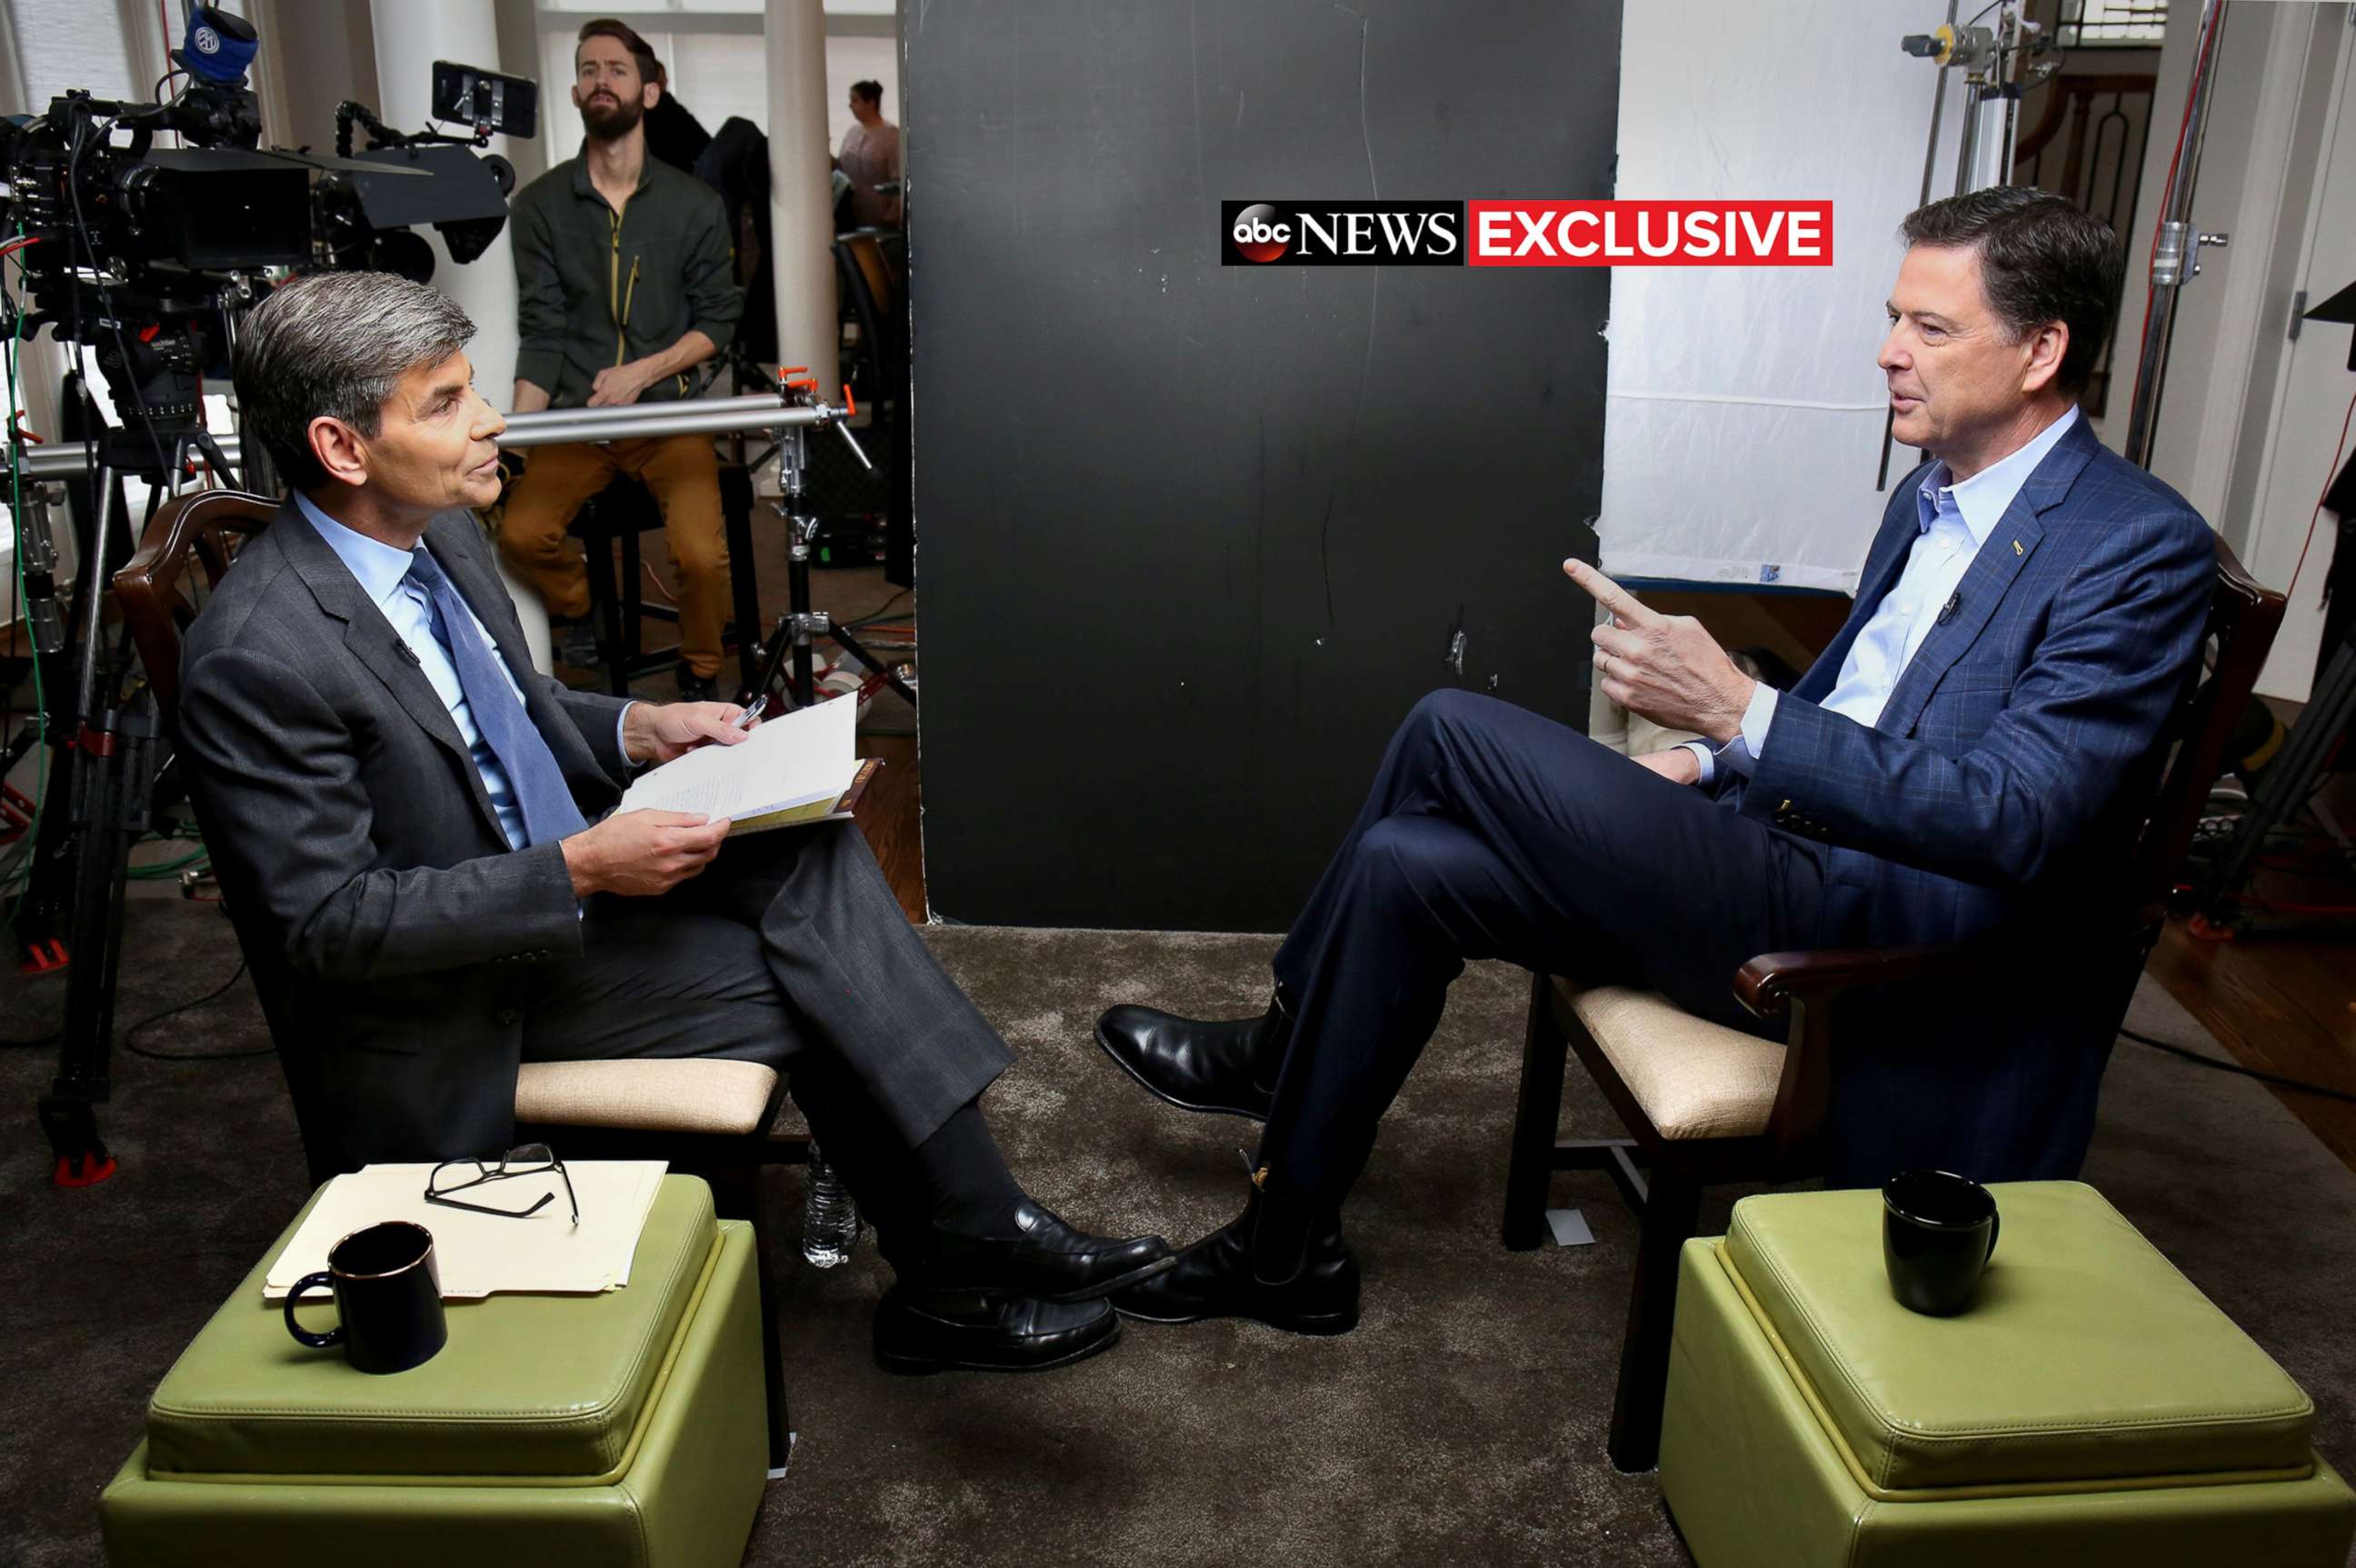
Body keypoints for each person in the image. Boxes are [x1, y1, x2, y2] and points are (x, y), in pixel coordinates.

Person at [1096, 187, 2216, 1336]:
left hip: (1882, 931)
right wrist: (1700, 760)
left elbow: (2021, 816)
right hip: (1780, 849)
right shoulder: (1931, 497)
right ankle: (1288, 1254)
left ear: (2043, 351)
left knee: (1448, 723)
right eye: (1895, 319)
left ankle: (1282, 1048)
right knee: (1400, 861)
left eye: (1930, 329)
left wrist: (1741, 713)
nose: (1888, 354)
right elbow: (1851, 705)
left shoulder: (2135, 546)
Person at [181, 272, 1170, 1374]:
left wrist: (644, 729)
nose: (492, 419)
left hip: (557, 894)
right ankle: (963, 1260)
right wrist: (581, 871)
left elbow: (517, 709)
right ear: (343, 447)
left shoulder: (438, 532)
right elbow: (328, 928)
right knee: (820, 981)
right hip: (463, 994)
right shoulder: (255, 656)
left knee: (817, 853)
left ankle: (966, 1247)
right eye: (449, 401)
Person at [497, 17, 739, 702]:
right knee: (518, 531)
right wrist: (517, 441)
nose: (602, 78)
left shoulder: (695, 205)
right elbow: (540, 331)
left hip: (667, 416)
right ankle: (584, 607)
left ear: (651, 93)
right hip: (578, 419)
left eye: (618, 68)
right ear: (575, 92)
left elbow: (719, 319)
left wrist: (645, 372)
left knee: (698, 553)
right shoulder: (539, 206)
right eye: (589, 69)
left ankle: (700, 671)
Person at [834, 79, 902, 228]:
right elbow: (841, 167)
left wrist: (892, 213)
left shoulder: (891, 134)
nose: (850, 105)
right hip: (851, 206)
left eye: (855, 100)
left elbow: (898, 176)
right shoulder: (853, 131)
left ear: (870, 103)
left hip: (879, 208)